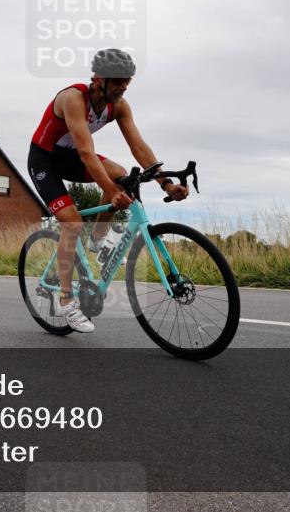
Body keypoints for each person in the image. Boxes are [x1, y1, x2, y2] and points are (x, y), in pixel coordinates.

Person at [27, 49, 189, 333]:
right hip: (45, 160)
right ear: (98, 78)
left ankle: (98, 238)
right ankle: (66, 301)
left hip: (72, 158)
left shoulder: (120, 106)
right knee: (72, 222)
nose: (123, 86)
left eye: (127, 81)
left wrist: (166, 183)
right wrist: (110, 192)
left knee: (122, 176)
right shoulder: (73, 99)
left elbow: (138, 146)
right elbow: (87, 153)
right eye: (117, 81)